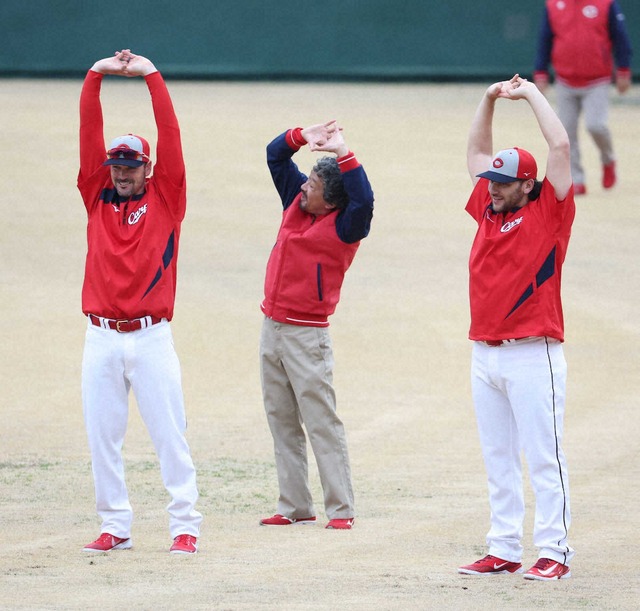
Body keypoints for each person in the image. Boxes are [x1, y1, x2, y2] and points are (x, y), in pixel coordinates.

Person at [78, 50, 202, 554]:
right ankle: (116, 526)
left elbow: (169, 130)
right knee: (102, 438)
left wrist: (150, 73)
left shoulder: (167, 196)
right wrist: (95, 75)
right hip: (100, 336)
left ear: (147, 167)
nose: (121, 172)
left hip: (151, 337)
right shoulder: (96, 193)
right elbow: (88, 131)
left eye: (130, 165)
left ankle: (184, 527)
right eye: (116, 165)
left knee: (169, 435)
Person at [457, 75, 576, 580]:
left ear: (528, 183)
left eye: (503, 182)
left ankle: (554, 552)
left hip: (534, 353)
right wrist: (487, 99)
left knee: (543, 457)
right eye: (491, 181)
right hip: (485, 354)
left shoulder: (550, 211)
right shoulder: (488, 208)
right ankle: (503, 547)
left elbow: (560, 143)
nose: (493, 188)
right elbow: (477, 152)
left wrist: (528, 95)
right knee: (498, 459)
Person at [258, 121, 374, 530]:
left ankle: (341, 511)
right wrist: (301, 136)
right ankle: (295, 506)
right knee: (281, 419)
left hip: (307, 336)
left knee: (320, 422)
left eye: (313, 185)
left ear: (332, 201)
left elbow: (364, 197)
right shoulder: (297, 201)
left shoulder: (347, 225)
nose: (304, 187)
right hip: (271, 327)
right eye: (306, 179)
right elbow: (275, 155)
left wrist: (344, 151)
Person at [534, 0, 633, 195]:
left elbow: (620, 37)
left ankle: (608, 159)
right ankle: (576, 179)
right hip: (565, 80)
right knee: (566, 133)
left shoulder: (606, 4)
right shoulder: (554, 5)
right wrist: (541, 71)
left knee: (596, 125)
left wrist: (623, 69)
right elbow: (545, 39)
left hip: (597, 79)